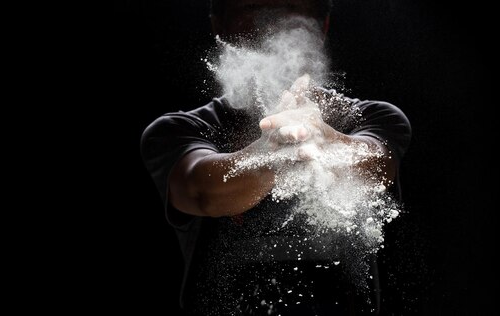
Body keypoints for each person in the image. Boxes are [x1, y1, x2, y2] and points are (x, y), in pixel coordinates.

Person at [141, 0, 411, 315]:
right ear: (219, 25)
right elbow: (200, 191)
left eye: (291, 5)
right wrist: (272, 151)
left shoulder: (368, 118)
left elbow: (376, 167)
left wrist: (324, 137)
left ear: (321, 25)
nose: (271, 20)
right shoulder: (183, 130)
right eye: (253, 6)